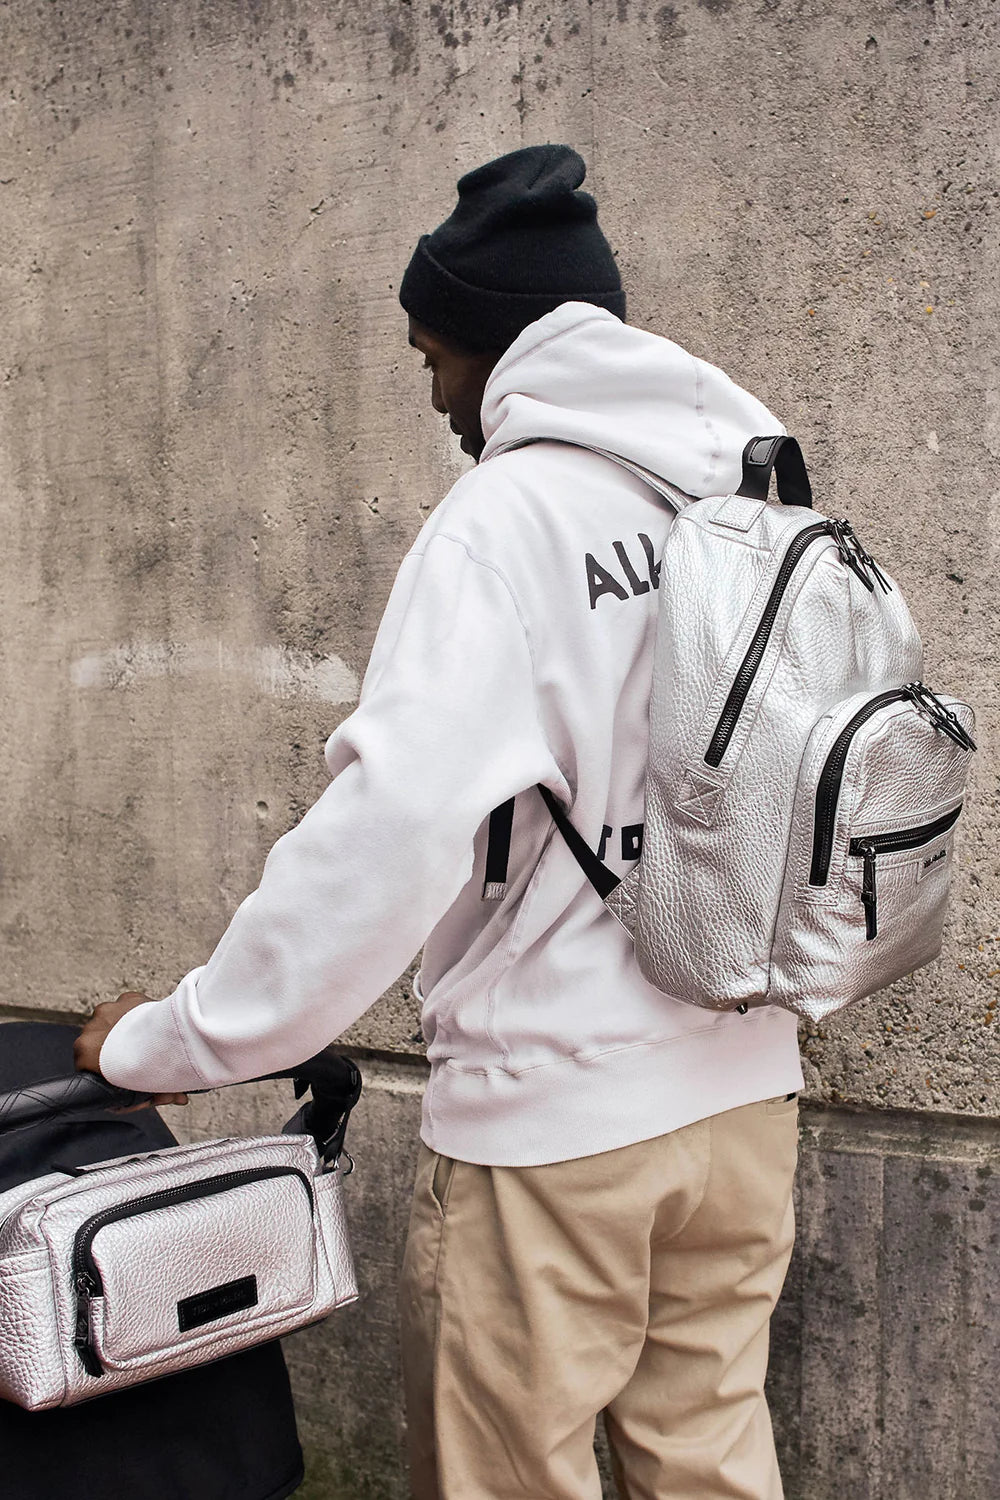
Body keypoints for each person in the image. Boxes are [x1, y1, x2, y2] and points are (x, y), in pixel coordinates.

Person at [77, 145, 804, 1500]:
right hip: (748, 1096)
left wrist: (175, 1039)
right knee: (711, 1460)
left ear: (495, 342)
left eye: (434, 358)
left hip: (555, 1126)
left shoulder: (503, 524)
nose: (437, 397)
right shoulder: (742, 495)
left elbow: (388, 833)